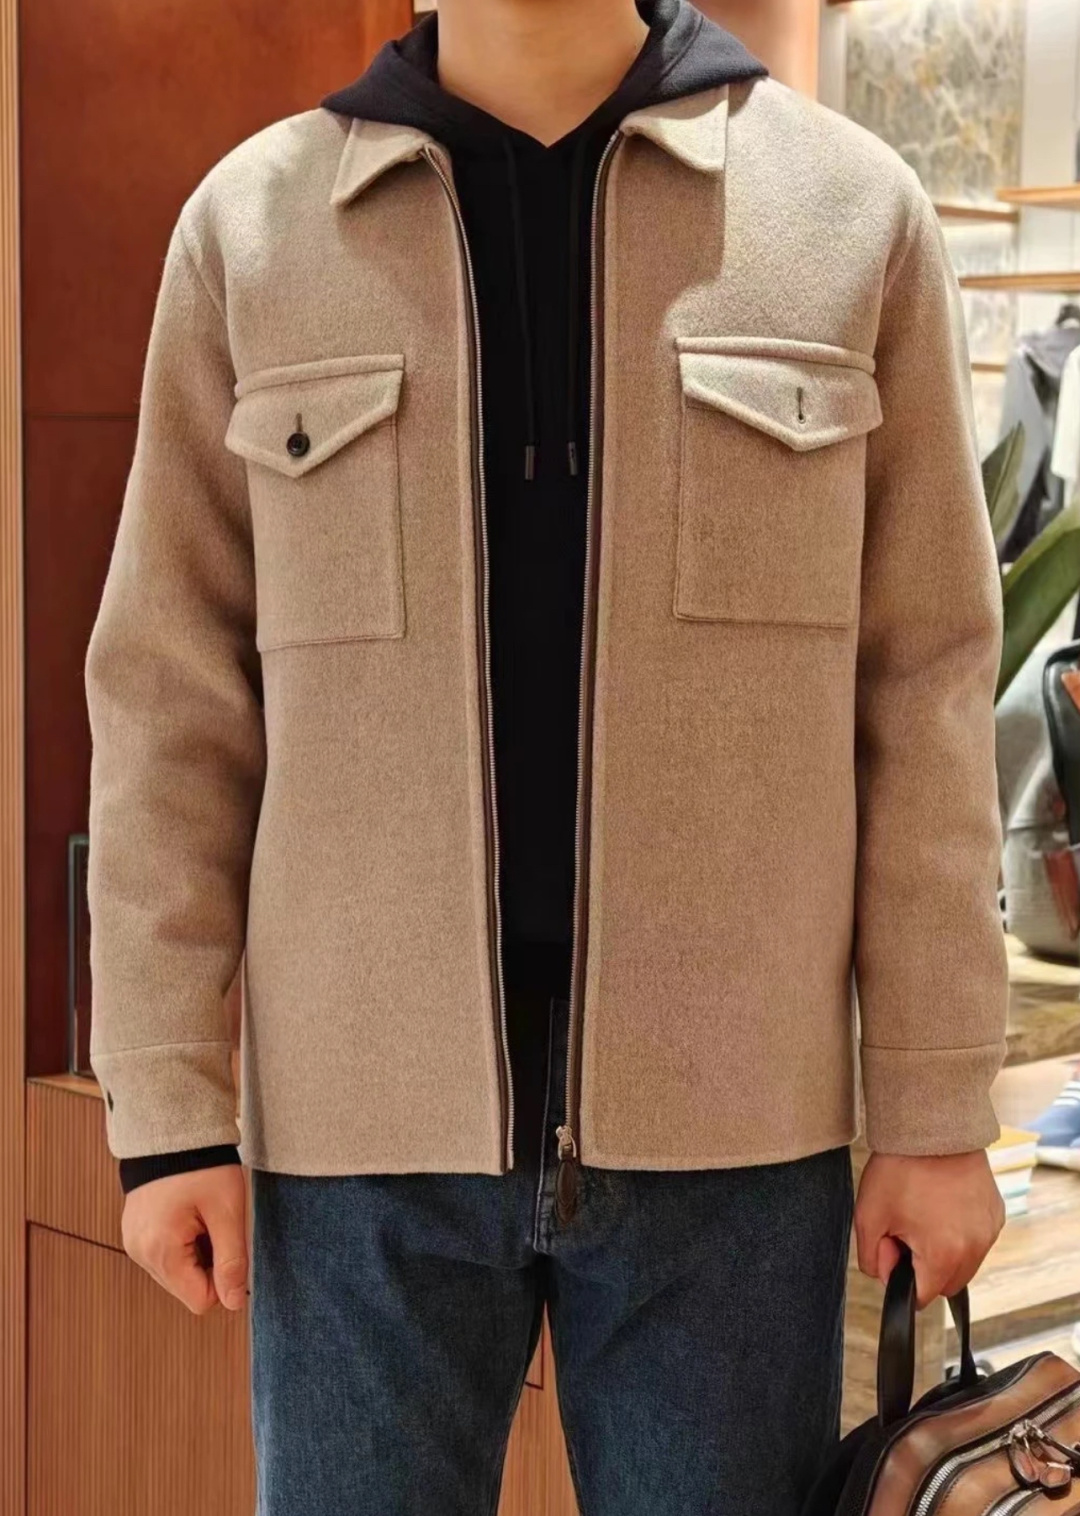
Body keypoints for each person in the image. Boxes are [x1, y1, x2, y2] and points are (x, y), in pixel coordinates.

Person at [84, 0, 1010, 1511]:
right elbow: (168, 701)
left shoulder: (852, 217)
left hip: (736, 1141)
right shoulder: (251, 232)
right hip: (355, 1154)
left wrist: (936, 1106)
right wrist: (165, 1104)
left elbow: (926, 694)